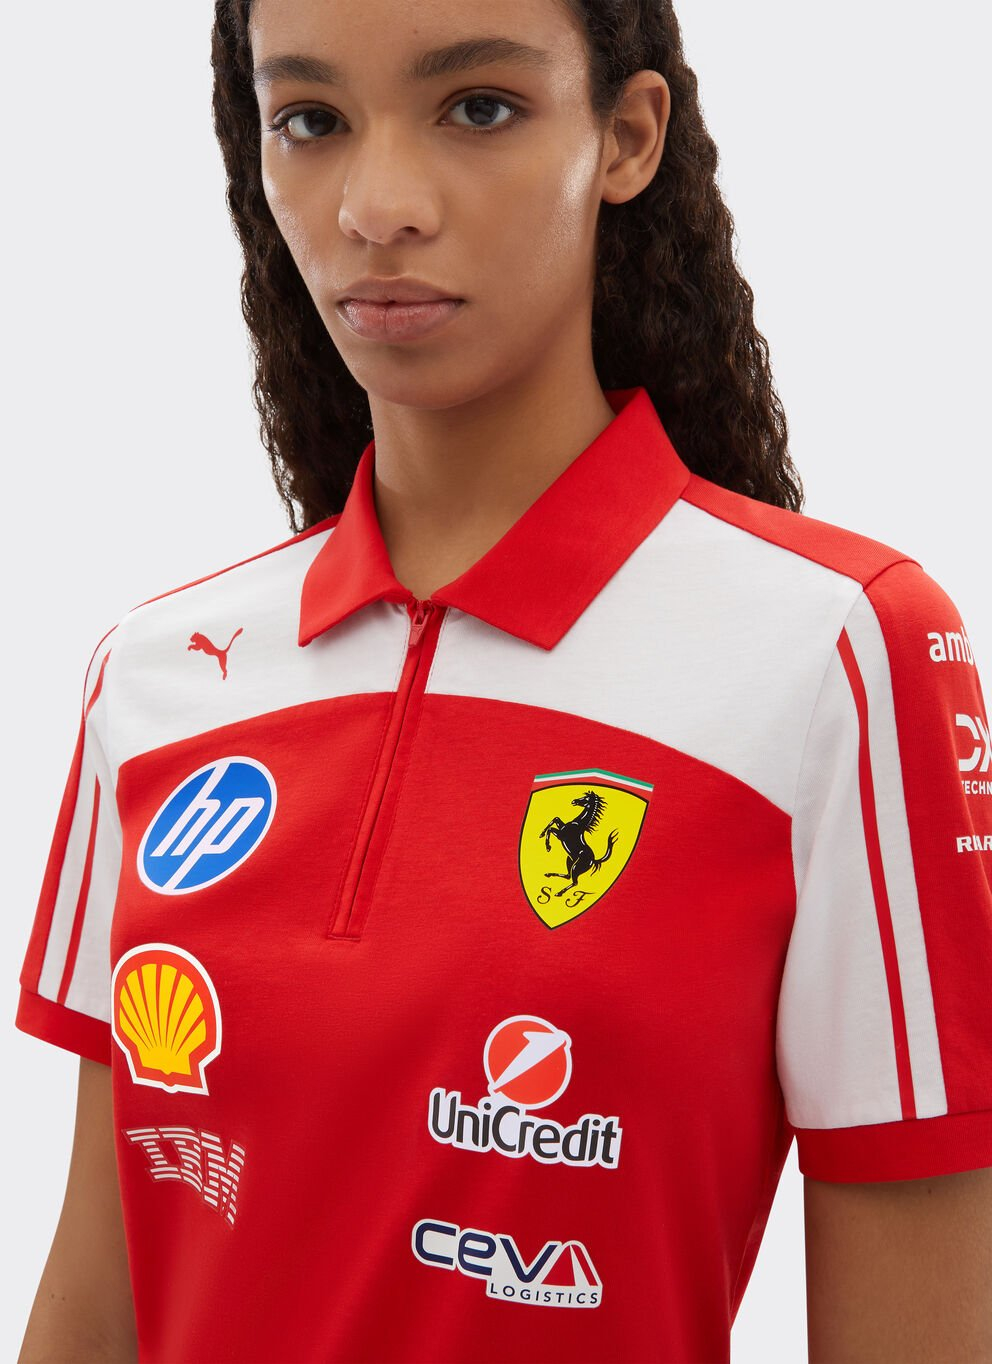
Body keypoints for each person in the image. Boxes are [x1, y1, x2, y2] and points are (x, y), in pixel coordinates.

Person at [14, 0, 992, 1360]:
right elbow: (94, 1307)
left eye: (478, 107)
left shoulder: (842, 652)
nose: (376, 207)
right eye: (311, 120)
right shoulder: (152, 677)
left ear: (628, 136)